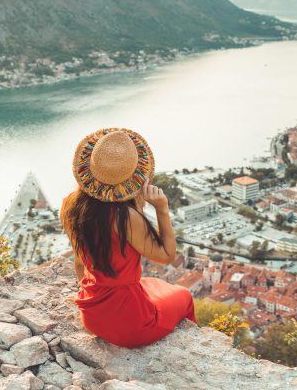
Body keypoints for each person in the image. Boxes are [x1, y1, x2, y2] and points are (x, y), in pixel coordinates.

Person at [60, 127, 196, 348]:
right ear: (135, 176)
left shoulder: (71, 205)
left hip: (92, 314)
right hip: (131, 325)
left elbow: (79, 264)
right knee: (184, 295)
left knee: (152, 284)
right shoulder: (124, 218)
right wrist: (161, 208)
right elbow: (166, 255)